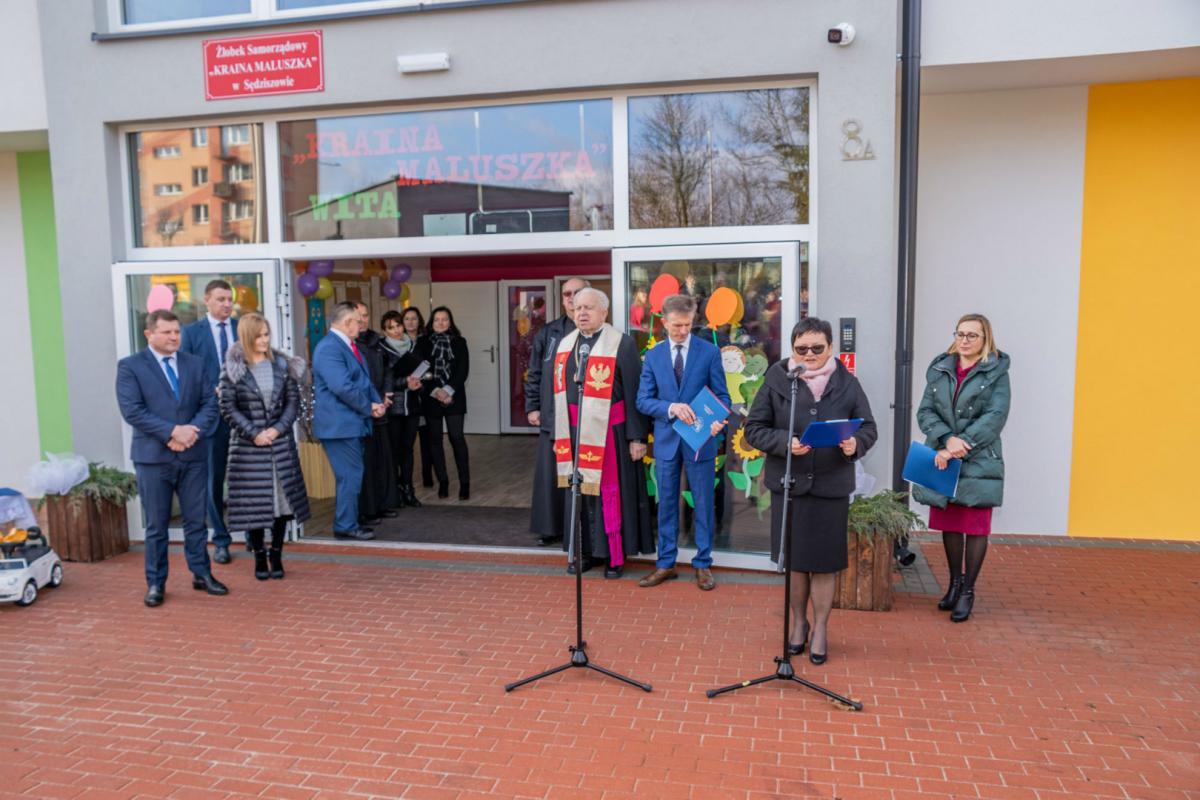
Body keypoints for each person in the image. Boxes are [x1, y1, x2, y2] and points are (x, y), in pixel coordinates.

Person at [743, 318, 877, 665]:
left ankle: (820, 629)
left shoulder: (848, 383)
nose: (810, 354)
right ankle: (799, 623)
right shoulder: (777, 380)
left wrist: (855, 444)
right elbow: (753, 429)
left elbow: (869, 428)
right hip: (790, 486)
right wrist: (785, 442)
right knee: (796, 562)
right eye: (801, 349)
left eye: (817, 348)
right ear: (792, 349)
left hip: (831, 486)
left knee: (825, 563)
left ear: (830, 348)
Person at [116, 309, 227, 607]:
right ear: (149, 334)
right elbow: (133, 411)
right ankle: (156, 582)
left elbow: (209, 403)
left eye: (177, 331)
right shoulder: (130, 367)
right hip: (153, 458)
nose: (174, 337)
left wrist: (191, 432)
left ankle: (201, 574)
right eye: (167, 332)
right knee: (156, 525)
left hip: (193, 454)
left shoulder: (194, 363)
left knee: (196, 521)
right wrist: (172, 433)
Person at [914, 313, 1011, 623]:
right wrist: (946, 439)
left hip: (979, 458)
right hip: (944, 454)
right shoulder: (941, 367)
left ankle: (968, 590)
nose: (964, 340)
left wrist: (961, 444)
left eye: (972, 335)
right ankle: (955, 583)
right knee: (951, 523)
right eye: (960, 333)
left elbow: (995, 416)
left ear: (985, 339)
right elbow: (925, 411)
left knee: (975, 525)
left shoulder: (996, 371)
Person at [551, 288, 653, 578]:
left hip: (610, 433)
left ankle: (613, 556)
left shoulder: (622, 344)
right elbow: (555, 393)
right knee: (579, 493)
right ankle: (584, 552)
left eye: (589, 307)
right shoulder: (566, 345)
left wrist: (637, 437)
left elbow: (634, 393)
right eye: (578, 308)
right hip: (572, 432)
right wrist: (556, 435)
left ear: (604, 312)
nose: (582, 313)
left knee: (609, 493)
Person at [636, 294, 730, 591]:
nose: (683, 331)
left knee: (703, 503)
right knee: (666, 505)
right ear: (664, 322)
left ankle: (703, 564)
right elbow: (643, 400)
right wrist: (671, 408)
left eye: (688, 325)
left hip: (701, 440)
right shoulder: (653, 356)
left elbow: (723, 397)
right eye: (677, 325)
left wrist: (718, 419)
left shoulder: (709, 352)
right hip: (666, 441)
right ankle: (665, 563)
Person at [218, 312, 311, 580]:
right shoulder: (233, 369)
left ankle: (276, 554)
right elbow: (228, 407)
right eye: (258, 336)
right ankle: (259, 555)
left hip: (280, 447)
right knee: (254, 505)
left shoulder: (282, 365)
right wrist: (254, 433)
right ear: (246, 337)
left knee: (283, 503)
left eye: (266, 335)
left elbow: (293, 403)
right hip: (249, 451)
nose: (264, 340)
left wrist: (277, 429)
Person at [311, 301, 386, 541]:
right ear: (346, 322)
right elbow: (342, 387)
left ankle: (349, 520)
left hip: (351, 424)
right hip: (339, 427)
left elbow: (363, 381)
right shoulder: (329, 348)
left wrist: (376, 403)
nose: (362, 323)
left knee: (352, 475)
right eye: (358, 320)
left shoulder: (349, 346)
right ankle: (345, 525)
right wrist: (368, 406)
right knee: (350, 476)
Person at [525, 277, 588, 546]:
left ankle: (581, 531)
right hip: (553, 418)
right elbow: (535, 372)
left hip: (586, 420)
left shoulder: (597, 331)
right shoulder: (549, 332)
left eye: (577, 293)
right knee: (551, 477)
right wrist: (533, 406)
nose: (572, 298)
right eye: (567, 294)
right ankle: (551, 529)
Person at [179, 279, 238, 564]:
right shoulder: (192, 333)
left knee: (247, 477)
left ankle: (253, 535)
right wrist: (208, 390)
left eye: (229, 299)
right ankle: (221, 540)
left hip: (244, 416)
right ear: (207, 300)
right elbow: (186, 374)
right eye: (220, 299)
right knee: (213, 480)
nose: (226, 304)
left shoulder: (242, 328)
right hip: (212, 418)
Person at [354, 301, 400, 525]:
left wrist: (387, 394)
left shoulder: (377, 341)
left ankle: (383, 504)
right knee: (367, 462)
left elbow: (389, 370)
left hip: (381, 408)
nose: (362, 320)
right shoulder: (349, 344)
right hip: (362, 411)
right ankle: (368, 511)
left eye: (365, 315)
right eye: (358, 316)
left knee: (383, 460)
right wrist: (372, 401)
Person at [419, 307, 471, 500]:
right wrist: (436, 391)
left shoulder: (460, 342)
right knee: (435, 440)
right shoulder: (422, 342)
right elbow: (422, 370)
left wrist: (448, 390)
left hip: (454, 396)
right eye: (437, 319)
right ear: (431, 323)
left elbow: (463, 370)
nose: (440, 323)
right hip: (431, 396)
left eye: (445, 319)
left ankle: (465, 483)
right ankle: (443, 482)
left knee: (457, 438)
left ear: (450, 322)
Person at [381, 307, 427, 508]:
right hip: (393, 408)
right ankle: (394, 492)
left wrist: (419, 383)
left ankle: (408, 489)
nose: (397, 330)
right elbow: (384, 380)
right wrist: (404, 383)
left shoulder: (413, 345)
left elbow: (421, 371)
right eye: (391, 328)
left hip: (413, 406)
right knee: (394, 451)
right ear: (385, 331)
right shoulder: (382, 349)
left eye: (398, 325)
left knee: (408, 450)